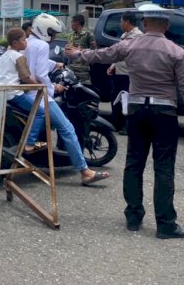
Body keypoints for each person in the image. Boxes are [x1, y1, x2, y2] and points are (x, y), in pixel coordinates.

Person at [66, 6, 184, 239]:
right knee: (164, 168)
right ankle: (166, 224)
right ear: (166, 26)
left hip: (137, 110)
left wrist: (77, 54)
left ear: (146, 24)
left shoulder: (130, 45)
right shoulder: (176, 51)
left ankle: (133, 217)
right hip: (164, 112)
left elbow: (101, 55)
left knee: (134, 163)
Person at [22, 14, 110, 185]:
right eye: (52, 32)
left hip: (26, 92)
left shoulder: (27, 42)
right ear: (44, 30)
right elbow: (40, 74)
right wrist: (53, 89)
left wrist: (55, 64)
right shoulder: (41, 44)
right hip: (39, 95)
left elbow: (32, 64)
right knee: (67, 129)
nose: (54, 36)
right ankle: (85, 172)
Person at [108, 11, 143, 134]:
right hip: (119, 71)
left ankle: (126, 126)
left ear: (127, 22)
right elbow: (119, 53)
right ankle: (115, 124)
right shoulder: (124, 35)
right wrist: (113, 65)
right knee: (116, 98)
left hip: (129, 73)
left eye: (122, 21)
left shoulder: (138, 36)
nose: (120, 24)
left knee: (127, 100)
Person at [67, 14, 97, 86]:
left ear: (77, 23)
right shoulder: (71, 35)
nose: (71, 24)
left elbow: (95, 51)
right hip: (71, 67)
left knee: (83, 89)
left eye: (72, 22)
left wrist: (81, 50)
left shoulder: (88, 34)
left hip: (82, 70)